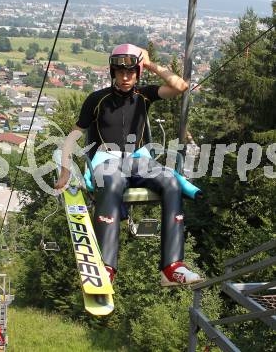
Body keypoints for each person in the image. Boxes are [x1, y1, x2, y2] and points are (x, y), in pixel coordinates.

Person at [55, 43, 203, 286]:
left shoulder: (145, 95)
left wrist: (151, 64)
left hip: (138, 160)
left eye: (131, 72)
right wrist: (64, 171)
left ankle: (172, 267)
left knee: (170, 180)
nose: (126, 78)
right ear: (113, 73)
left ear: (137, 72)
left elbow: (181, 86)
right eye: (121, 72)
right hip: (108, 162)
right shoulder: (97, 99)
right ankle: (106, 266)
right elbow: (74, 135)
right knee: (111, 181)